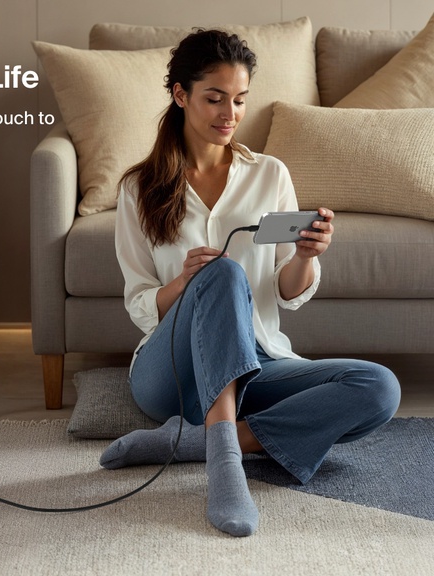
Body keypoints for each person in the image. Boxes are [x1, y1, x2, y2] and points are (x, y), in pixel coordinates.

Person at [100, 29, 401, 537]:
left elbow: (287, 291)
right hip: (171, 374)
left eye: (239, 100)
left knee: (378, 387)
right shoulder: (139, 187)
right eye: (214, 99)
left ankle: (206, 442)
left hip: (257, 364)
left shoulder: (269, 174)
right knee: (221, 272)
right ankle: (225, 470)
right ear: (181, 95)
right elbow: (139, 302)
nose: (229, 113)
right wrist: (186, 282)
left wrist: (306, 256)